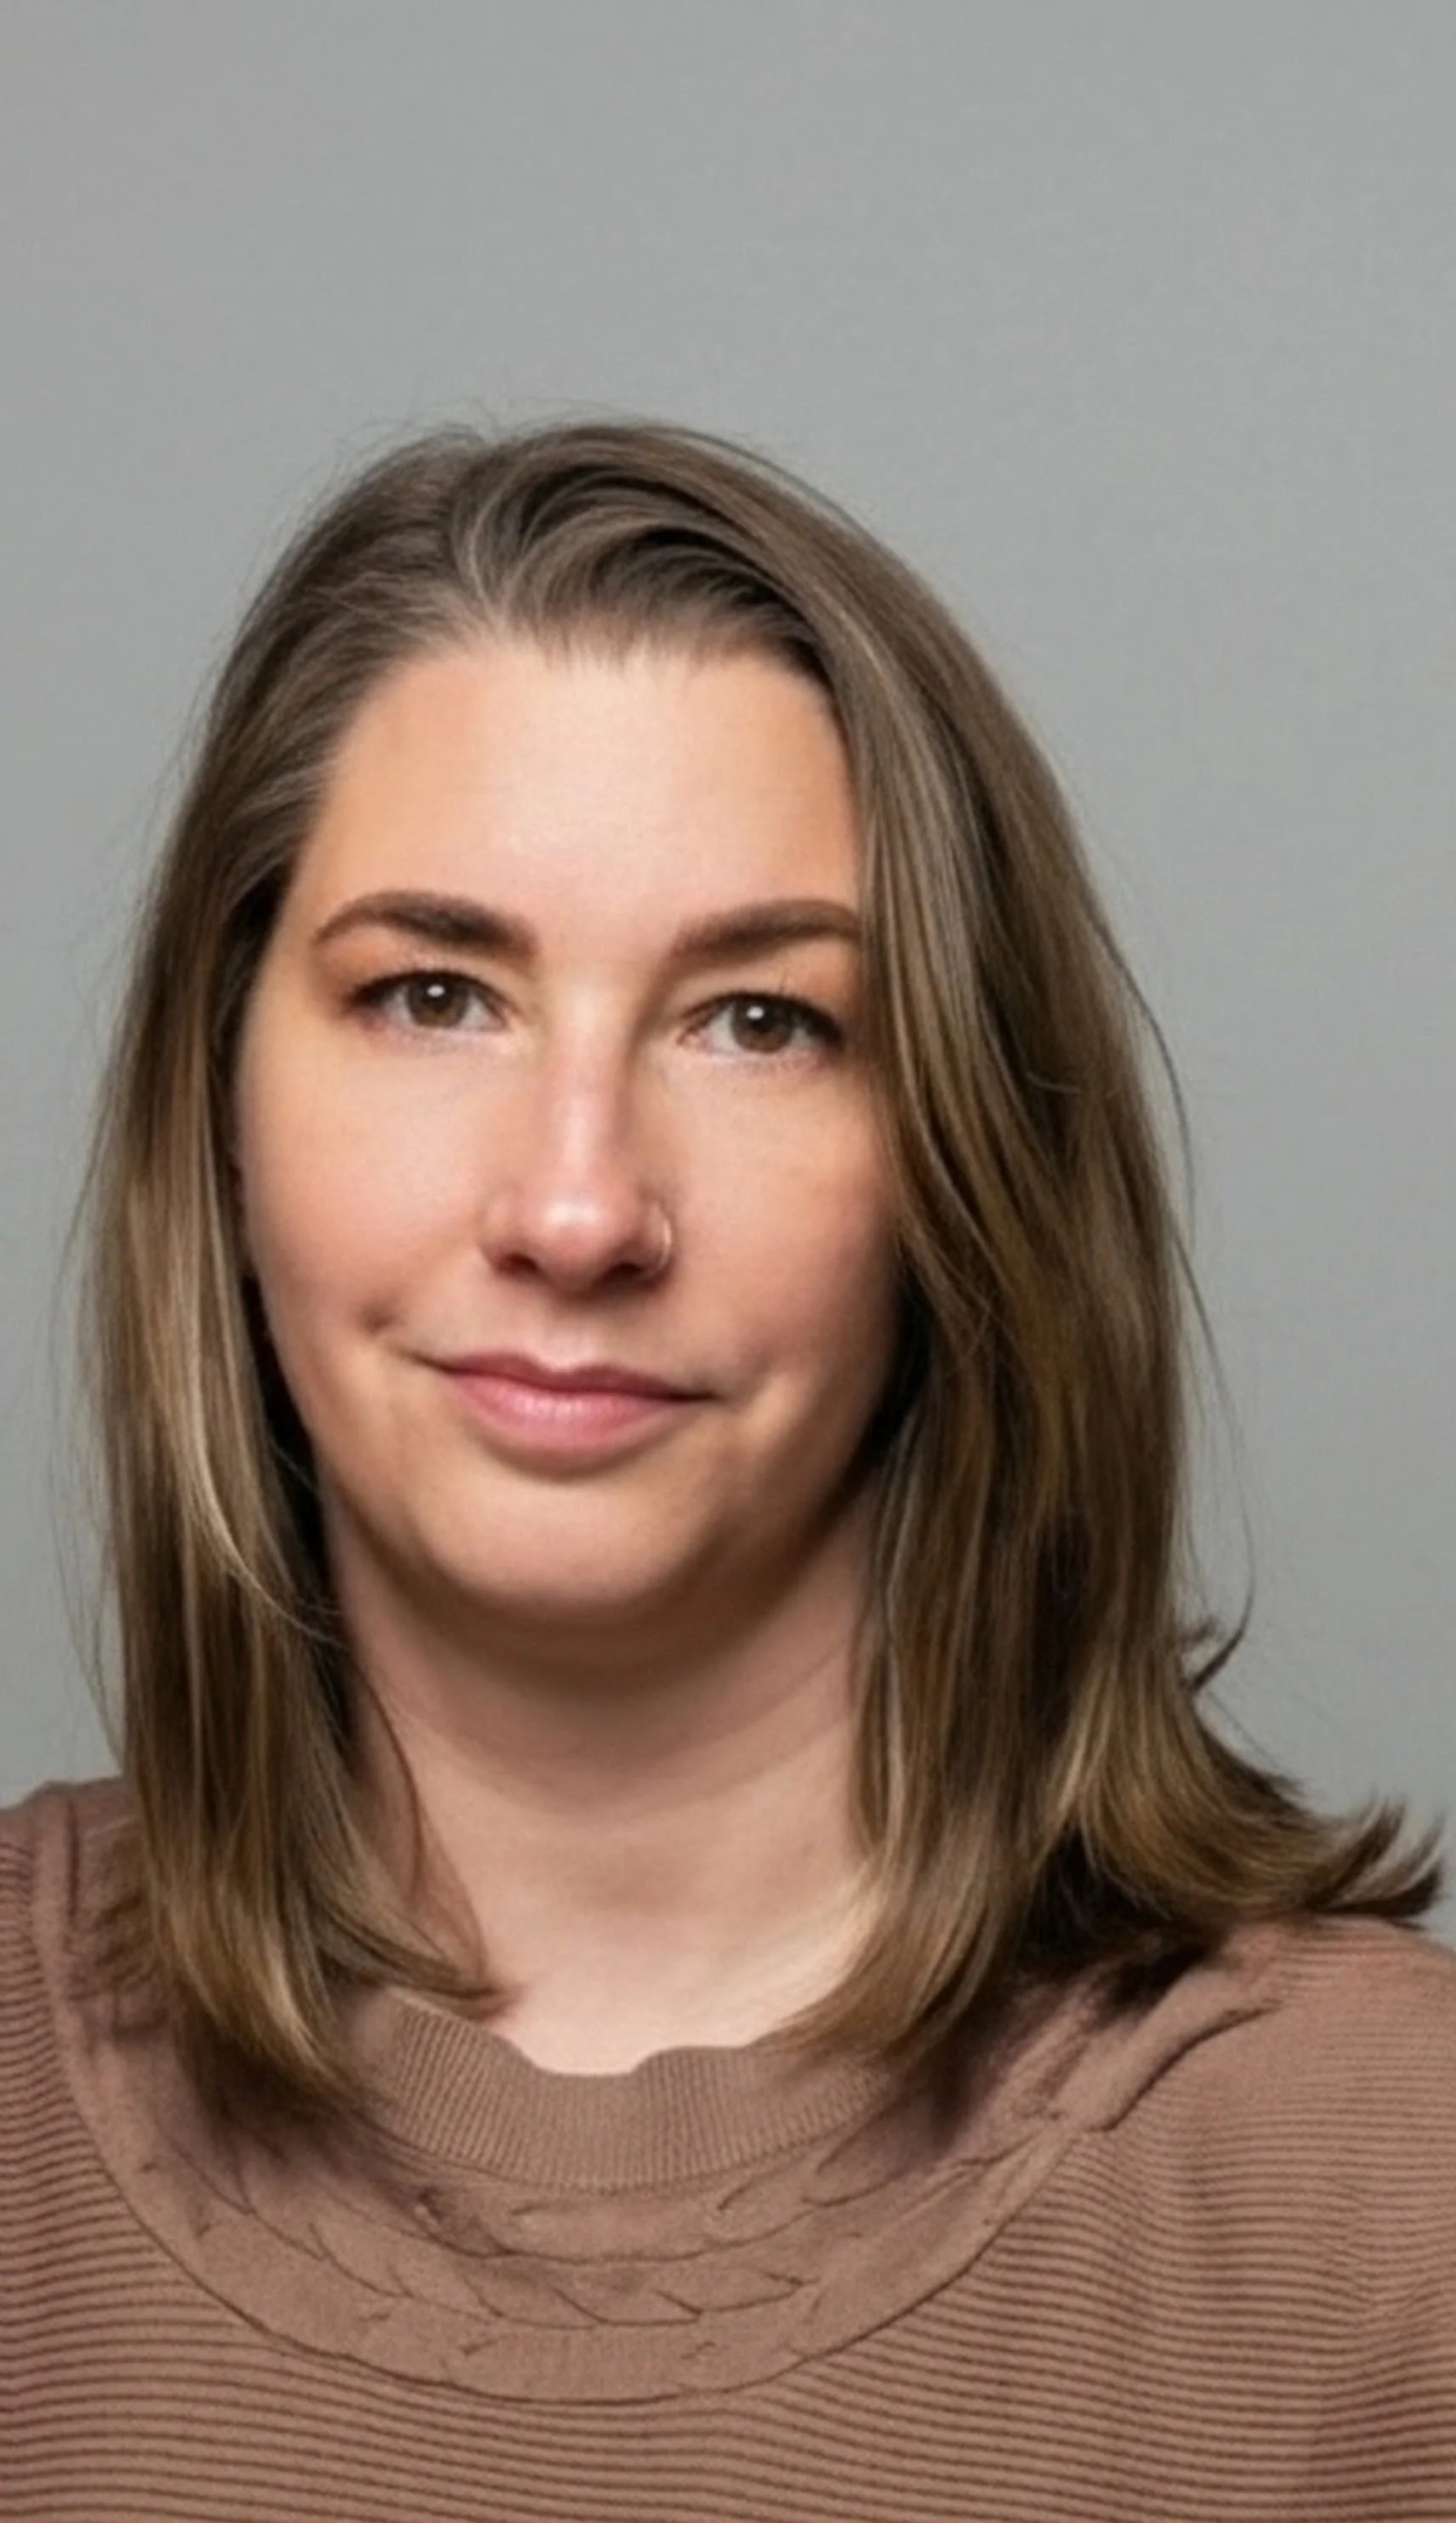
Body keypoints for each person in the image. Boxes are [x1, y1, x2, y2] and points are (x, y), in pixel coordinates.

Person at [3, 416, 1453, 2520]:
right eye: (432, 994)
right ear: (217, 1122)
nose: (578, 1210)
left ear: (964, 1166)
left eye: (759, 1023)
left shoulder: (1393, 2203)